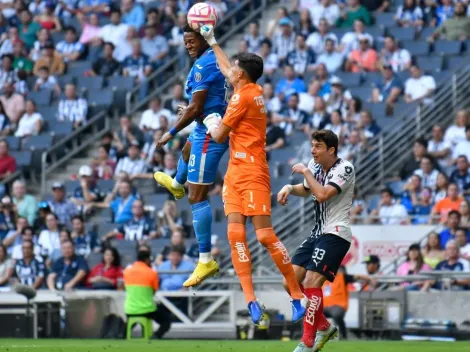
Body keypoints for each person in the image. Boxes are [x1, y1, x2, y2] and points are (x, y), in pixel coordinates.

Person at [200, 24, 307, 325]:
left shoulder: (241, 98)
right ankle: (251, 301)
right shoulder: (249, 88)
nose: (229, 70)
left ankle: (296, 296)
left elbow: (219, 135)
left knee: (264, 236)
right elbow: (225, 68)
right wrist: (213, 42)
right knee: (235, 234)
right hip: (235, 173)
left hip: (254, 171)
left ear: (241, 75)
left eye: (234, 68)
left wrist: (209, 120)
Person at [153, 25, 229, 287]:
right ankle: (175, 185)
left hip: (211, 132)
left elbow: (198, 106)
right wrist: (192, 111)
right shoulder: (208, 61)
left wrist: (169, 133)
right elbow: (202, 104)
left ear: (203, 39)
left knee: (197, 196)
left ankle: (205, 259)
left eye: (192, 40)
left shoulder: (202, 66)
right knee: (187, 149)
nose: (188, 45)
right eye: (185, 42)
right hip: (202, 125)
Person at [275, 129, 355, 352]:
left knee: (311, 282)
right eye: (312, 145)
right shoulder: (314, 166)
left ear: (331, 150)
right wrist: (289, 187)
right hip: (317, 232)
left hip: (336, 233)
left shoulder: (345, 168)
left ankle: (308, 342)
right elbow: (307, 188)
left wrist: (304, 171)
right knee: (290, 282)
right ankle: (324, 327)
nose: (313, 150)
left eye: (318, 146)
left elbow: (322, 194)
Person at [124, 250, 171, 339]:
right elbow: (154, 291)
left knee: (133, 320)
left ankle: (122, 334)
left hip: (129, 310)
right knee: (166, 320)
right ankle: (155, 336)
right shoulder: (151, 273)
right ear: (147, 260)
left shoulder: (127, 271)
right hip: (147, 310)